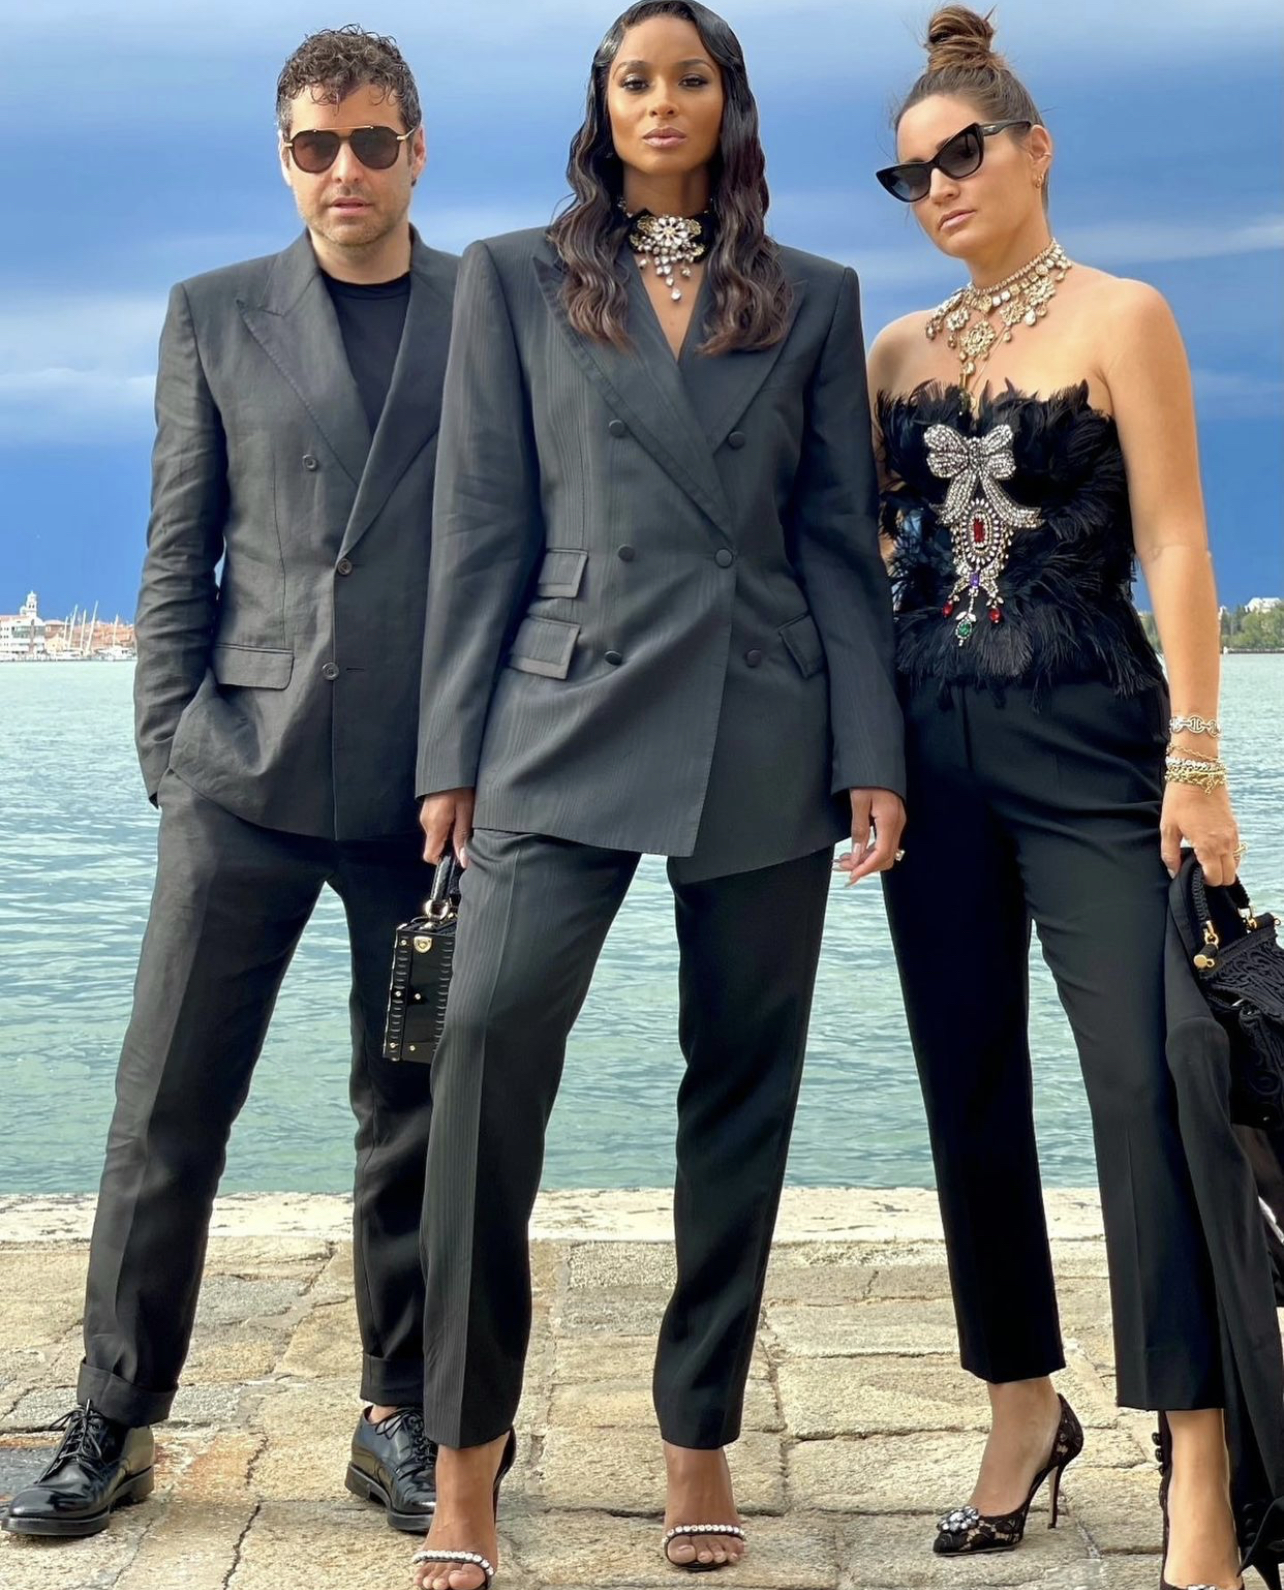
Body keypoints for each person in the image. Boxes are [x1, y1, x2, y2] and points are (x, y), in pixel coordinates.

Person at [409, 3, 905, 1584]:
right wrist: (448, 754)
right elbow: (479, 523)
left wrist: (871, 747)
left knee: (742, 1083)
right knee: (483, 1045)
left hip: (763, 716)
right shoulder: (513, 277)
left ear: (727, 103)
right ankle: (464, 1454)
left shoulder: (812, 293)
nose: (663, 99)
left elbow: (838, 540)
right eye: (637, 78)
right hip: (559, 709)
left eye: (691, 76)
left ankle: (699, 1431)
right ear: (605, 105)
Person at [1, 26, 456, 1544]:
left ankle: (397, 1414)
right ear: (285, 157)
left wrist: (489, 758)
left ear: (417, 151)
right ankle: (114, 1419)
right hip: (239, 780)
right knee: (165, 1110)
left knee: (411, 1106)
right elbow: (175, 547)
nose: (346, 170)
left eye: (373, 142)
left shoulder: (493, 308)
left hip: (425, 801)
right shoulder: (211, 312)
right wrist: (167, 756)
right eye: (317, 146)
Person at [868, 8, 1281, 1589]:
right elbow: (858, 557)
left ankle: (1200, 1460)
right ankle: (1020, 1407)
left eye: (961, 154)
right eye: (911, 176)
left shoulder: (1125, 315)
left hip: (1095, 745)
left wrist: (1200, 755)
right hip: (929, 754)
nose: (940, 188)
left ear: (1034, 148)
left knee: (1155, 1079)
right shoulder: (894, 353)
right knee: (966, 1078)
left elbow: (1177, 540)